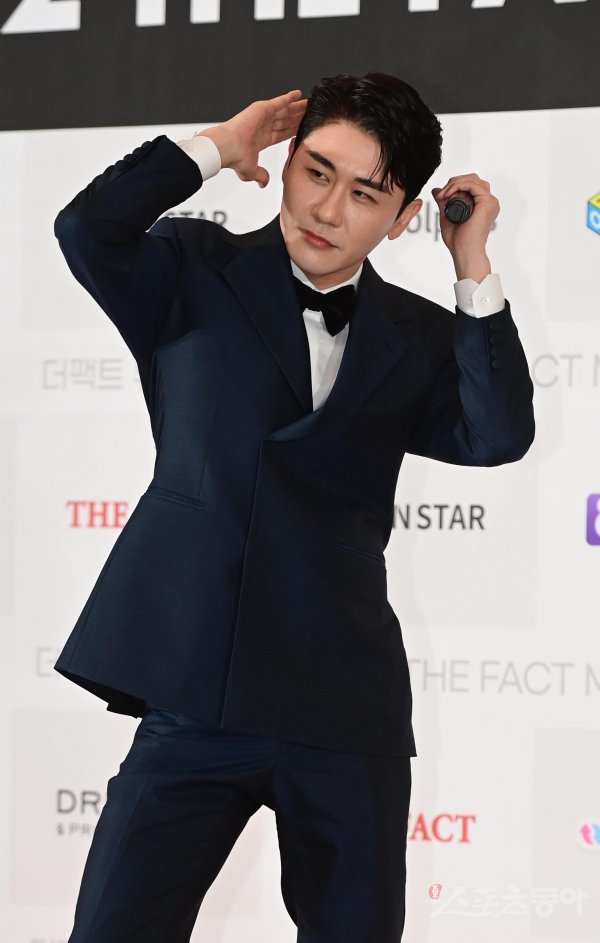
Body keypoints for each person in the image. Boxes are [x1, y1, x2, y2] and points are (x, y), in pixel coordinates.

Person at [53, 72, 535, 942]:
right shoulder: (191, 268)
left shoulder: (419, 334)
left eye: (365, 194)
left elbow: (496, 435)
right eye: (316, 172)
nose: (327, 208)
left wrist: (472, 262)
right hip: (197, 685)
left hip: (343, 703)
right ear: (286, 164)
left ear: (402, 215)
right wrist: (217, 146)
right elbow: (87, 228)